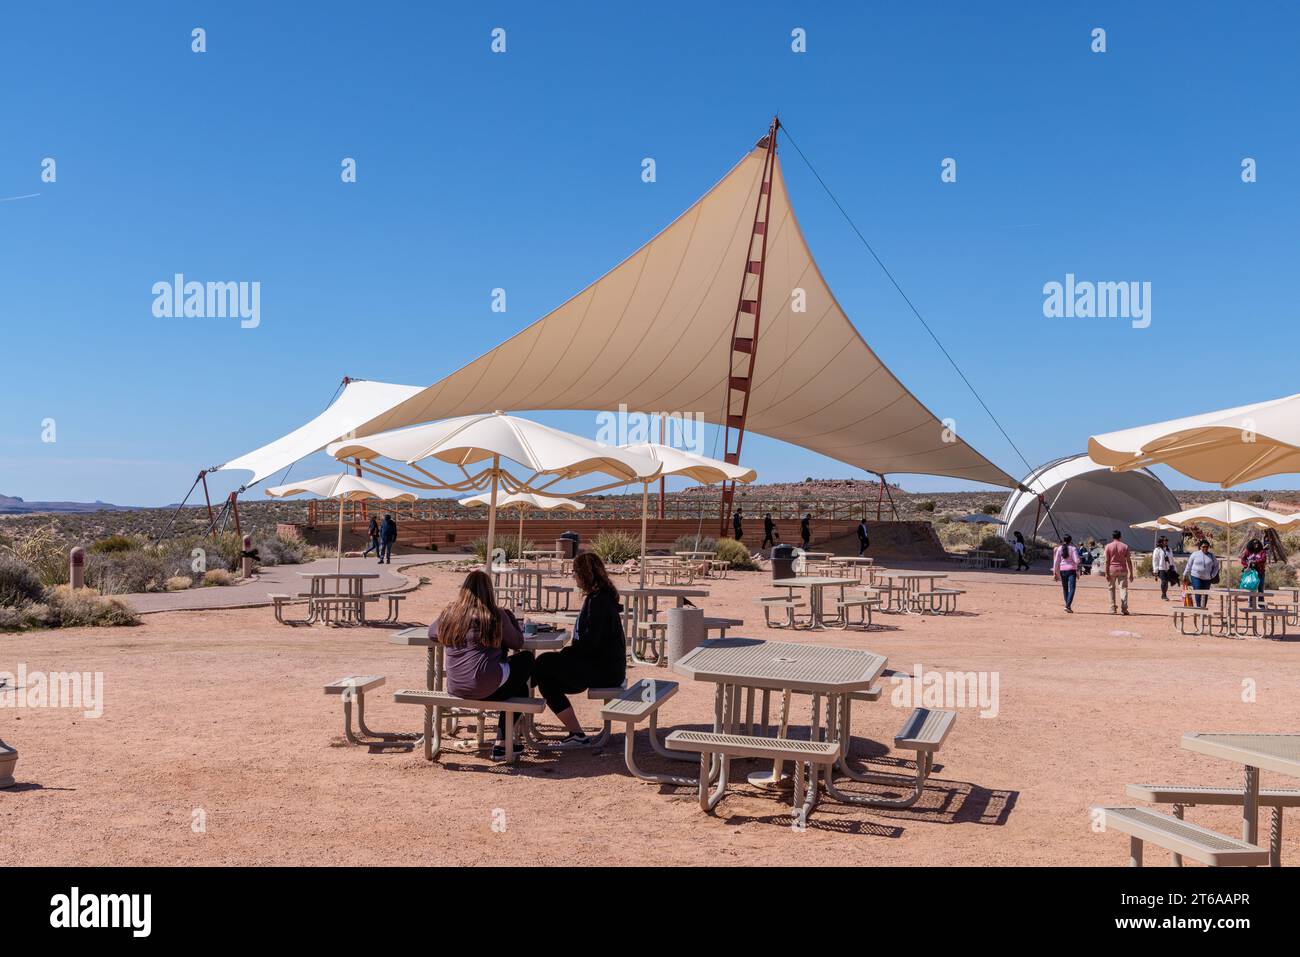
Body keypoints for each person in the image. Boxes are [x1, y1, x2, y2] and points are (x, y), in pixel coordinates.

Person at [430, 571, 534, 760]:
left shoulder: (451, 613)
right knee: (526, 660)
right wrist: (510, 619)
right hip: (487, 687)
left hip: (456, 687)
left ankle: (504, 742)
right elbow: (518, 642)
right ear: (489, 591)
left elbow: (431, 633)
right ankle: (503, 742)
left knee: (518, 686)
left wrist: (457, 632)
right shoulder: (495, 614)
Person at [531, 553, 626, 747]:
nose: (573, 576)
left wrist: (565, 655)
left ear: (583, 574)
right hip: (603, 667)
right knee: (545, 678)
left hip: (602, 671)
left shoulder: (598, 602)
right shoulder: (600, 597)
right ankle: (576, 734)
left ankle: (510, 712)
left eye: (575, 572)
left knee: (542, 664)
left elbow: (590, 644)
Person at [1103, 529, 1135, 615]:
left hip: (1112, 569)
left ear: (1112, 537)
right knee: (1123, 588)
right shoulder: (1125, 546)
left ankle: (1113, 607)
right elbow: (1128, 560)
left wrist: (1106, 572)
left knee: (1111, 588)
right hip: (1123, 570)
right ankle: (1124, 608)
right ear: (1120, 537)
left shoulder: (1108, 546)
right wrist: (1131, 573)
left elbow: (1107, 561)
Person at [1181, 539, 1219, 608]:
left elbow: (1216, 566)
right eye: (1203, 546)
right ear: (1200, 547)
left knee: (1205, 594)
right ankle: (1198, 608)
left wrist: (1212, 575)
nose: (1205, 548)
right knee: (1198, 591)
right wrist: (1184, 574)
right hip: (1196, 576)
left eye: (1207, 547)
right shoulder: (1195, 554)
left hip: (1207, 578)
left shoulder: (1211, 556)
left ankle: (1203, 608)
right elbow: (1189, 565)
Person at [1052, 534, 1080, 613]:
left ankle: (1068, 606)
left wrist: (1055, 572)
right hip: (1071, 570)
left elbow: (1056, 561)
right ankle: (1067, 606)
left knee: (1065, 588)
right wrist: (1079, 562)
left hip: (1062, 570)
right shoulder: (1073, 548)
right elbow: (1076, 560)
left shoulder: (1060, 548)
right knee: (1072, 588)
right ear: (1070, 540)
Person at [1240, 538, 1268, 608]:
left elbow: (1263, 559)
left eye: (1257, 543)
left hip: (1260, 572)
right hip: (1251, 573)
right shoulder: (1248, 551)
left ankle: (1261, 605)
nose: (1256, 545)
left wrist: (1254, 562)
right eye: (1255, 543)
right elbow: (1243, 560)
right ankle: (1251, 604)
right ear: (1251, 544)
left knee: (1260, 589)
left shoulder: (1262, 551)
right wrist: (1247, 566)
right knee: (1252, 588)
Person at [1151, 536, 1178, 601]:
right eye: (1165, 540)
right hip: (1161, 568)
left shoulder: (1169, 549)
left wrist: (1174, 567)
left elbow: (1172, 559)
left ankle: (1165, 593)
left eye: (1167, 540)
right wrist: (1155, 570)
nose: (1166, 542)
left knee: (1167, 582)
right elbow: (1155, 560)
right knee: (1164, 581)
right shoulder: (1157, 550)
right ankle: (1164, 595)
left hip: (1168, 567)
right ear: (1161, 542)